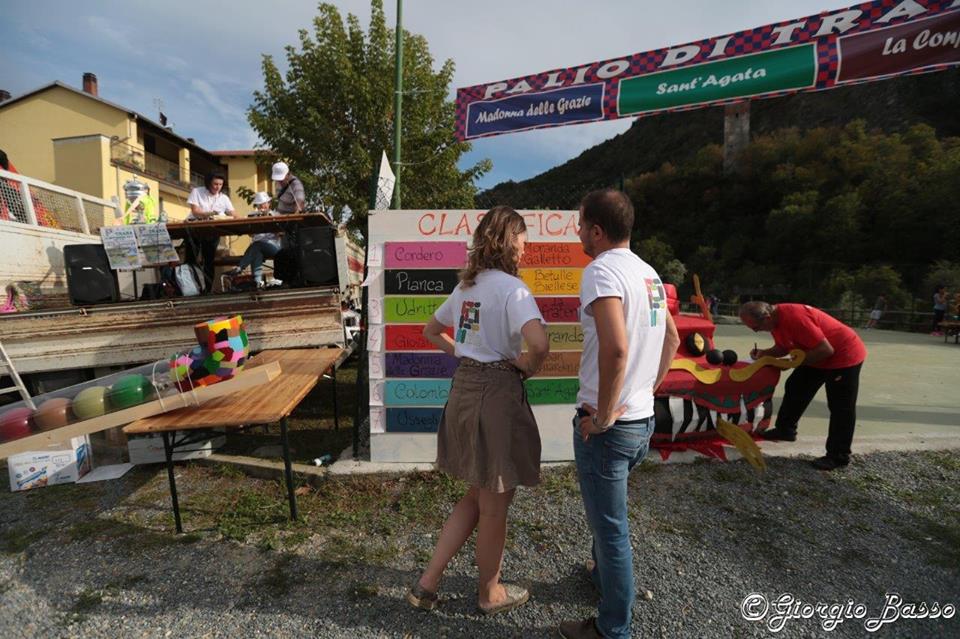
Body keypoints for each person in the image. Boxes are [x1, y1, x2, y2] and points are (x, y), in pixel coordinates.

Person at [406, 206, 549, 616]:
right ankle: (489, 593)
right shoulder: (513, 290)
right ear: (508, 241)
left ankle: (427, 584)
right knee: (495, 505)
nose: (525, 249)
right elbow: (540, 344)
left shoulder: (466, 288)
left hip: (464, 391)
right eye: (522, 241)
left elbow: (431, 331)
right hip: (496, 398)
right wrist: (526, 366)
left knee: (476, 494)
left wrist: (466, 355)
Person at [559, 190, 680, 639]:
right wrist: (647, 390)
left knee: (612, 531)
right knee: (606, 520)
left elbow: (615, 349)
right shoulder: (649, 274)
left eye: (580, 225)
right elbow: (672, 339)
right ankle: (602, 579)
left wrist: (605, 416)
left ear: (596, 230)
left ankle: (612, 629)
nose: (577, 233)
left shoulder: (600, 271)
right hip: (642, 422)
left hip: (610, 428)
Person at [740, 301, 867, 471]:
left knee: (841, 406)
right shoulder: (774, 321)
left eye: (756, 327)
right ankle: (785, 430)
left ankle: (838, 456)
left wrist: (790, 363)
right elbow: (784, 346)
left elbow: (826, 350)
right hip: (816, 354)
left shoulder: (796, 318)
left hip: (843, 356)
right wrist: (765, 353)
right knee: (796, 386)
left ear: (767, 317)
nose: (756, 331)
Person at [185, 173, 236, 293]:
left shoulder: (224, 198)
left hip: (212, 231)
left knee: (209, 260)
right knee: (191, 260)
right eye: (215, 184)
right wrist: (210, 214)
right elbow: (195, 211)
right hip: (195, 230)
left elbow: (233, 213)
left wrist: (243, 219)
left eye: (220, 184)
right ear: (208, 183)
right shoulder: (197, 192)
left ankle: (207, 290)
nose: (218, 187)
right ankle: (189, 289)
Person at [227, 192, 280, 287]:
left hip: (273, 246)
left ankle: (240, 267)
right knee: (257, 251)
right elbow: (250, 234)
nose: (262, 206)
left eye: (264, 203)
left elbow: (280, 233)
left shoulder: (275, 215)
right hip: (256, 247)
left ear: (269, 203)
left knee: (256, 245)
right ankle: (257, 282)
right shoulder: (252, 215)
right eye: (259, 204)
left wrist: (269, 221)